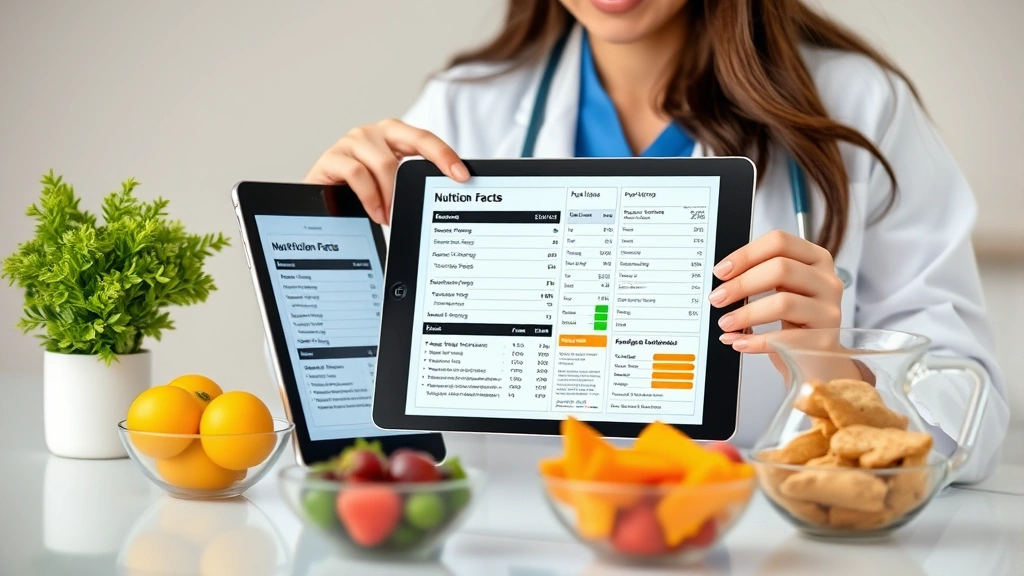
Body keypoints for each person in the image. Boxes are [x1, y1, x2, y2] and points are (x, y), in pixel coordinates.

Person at [304, 0, 1008, 482]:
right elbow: (351, 418)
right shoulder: (462, 108)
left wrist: (832, 366)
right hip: (509, 542)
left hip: (755, 547)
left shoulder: (859, 103)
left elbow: (968, 423)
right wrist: (325, 240)